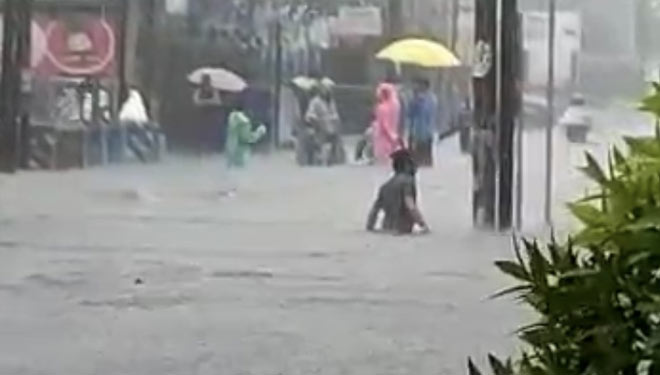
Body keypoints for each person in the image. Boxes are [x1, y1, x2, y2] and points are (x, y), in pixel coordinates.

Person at [366, 149, 430, 234]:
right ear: (407, 165)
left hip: (387, 229)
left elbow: (374, 212)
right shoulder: (407, 182)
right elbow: (410, 206)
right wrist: (423, 226)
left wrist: (370, 228)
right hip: (402, 230)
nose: (416, 167)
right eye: (413, 164)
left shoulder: (385, 186)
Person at [305, 82, 345, 166]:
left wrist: (334, 118)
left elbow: (335, 112)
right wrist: (314, 118)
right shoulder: (315, 101)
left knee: (334, 139)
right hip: (319, 125)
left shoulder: (331, 101)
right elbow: (310, 113)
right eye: (324, 90)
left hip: (331, 124)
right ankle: (322, 157)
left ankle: (332, 157)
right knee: (321, 141)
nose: (326, 92)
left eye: (327, 90)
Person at [225, 98, 267, 168]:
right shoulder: (244, 123)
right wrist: (260, 132)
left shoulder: (231, 120)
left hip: (230, 151)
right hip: (241, 154)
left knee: (231, 172)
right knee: (240, 174)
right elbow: (247, 139)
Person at [407, 78, 437, 167]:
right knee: (425, 154)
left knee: (420, 153)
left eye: (418, 85)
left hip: (420, 130)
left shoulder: (421, 99)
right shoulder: (432, 98)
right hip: (426, 130)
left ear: (424, 86)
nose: (416, 87)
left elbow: (411, 113)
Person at [193, 74, 223, 154]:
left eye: (207, 80)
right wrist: (207, 102)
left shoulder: (213, 90)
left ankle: (210, 148)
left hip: (211, 113)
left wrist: (206, 102)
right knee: (202, 131)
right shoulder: (199, 91)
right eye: (204, 80)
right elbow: (196, 101)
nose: (206, 82)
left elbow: (217, 101)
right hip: (202, 113)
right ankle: (202, 148)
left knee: (210, 131)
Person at [372, 82, 401, 163]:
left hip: (383, 138)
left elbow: (385, 125)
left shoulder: (382, 108)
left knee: (382, 161)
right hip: (391, 136)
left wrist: (390, 136)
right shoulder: (395, 106)